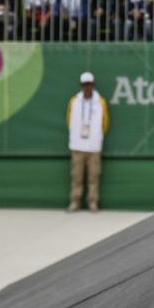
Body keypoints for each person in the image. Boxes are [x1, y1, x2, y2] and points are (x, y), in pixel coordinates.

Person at [66, 71, 109, 213]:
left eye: (89, 84)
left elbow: (105, 122)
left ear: (93, 85)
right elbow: (69, 120)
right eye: (84, 85)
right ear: (81, 86)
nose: (87, 87)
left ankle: (93, 202)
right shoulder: (74, 101)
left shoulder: (100, 102)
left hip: (94, 146)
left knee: (93, 176)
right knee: (76, 176)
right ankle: (75, 201)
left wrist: (97, 136)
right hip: (77, 145)